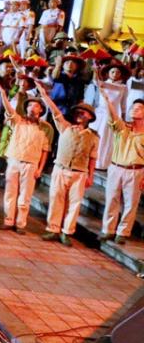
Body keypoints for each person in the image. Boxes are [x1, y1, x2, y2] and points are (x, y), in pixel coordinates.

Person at [33, 82, 97, 246]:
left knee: (74, 204)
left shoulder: (93, 136)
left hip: (79, 172)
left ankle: (67, 232)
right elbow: (55, 111)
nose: (80, 114)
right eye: (78, 112)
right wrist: (45, 96)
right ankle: (53, 229)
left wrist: (91, 175)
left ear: (90, 117)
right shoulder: (65, 127)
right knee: (56, 199)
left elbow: (92, 157)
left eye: (84, 113)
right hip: (61, 168)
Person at [0, 83, 49, 232]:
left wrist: (40, 168)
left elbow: (45, 149)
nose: (32, 108)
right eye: (30, 105)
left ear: (41, 110)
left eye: (36, 106)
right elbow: (9, 110)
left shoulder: (45, 127)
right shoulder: (18, 121)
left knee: (25, 195)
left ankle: (20, 223)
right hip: (14, 160)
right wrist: (4, 96)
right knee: (10, 192)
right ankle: (8, 220)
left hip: (31, 163)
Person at [96, 90, 144, 245]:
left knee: (131, 203)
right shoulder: (122, 128)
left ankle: (123, 232)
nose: (135, 110)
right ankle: (108, 230)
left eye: (139, 108)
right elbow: (113, 116)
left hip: (136, 170)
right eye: (133, 108)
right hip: (116, 167)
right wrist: (107, 99)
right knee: (112, 199)